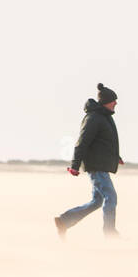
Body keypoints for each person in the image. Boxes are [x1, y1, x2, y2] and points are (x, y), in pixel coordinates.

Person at [55, 83, 124, 238]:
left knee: (97, 201)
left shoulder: (105, 117)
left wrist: (116, 156)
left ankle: (64, 221)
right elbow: (82, 142)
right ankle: (110, 233)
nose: (116, 103)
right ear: (106, 101)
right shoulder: (93, 118)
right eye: (114, 100)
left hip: (101, 165)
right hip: (96, 166)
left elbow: (106, 142)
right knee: (110, 197)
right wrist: (75, 165)